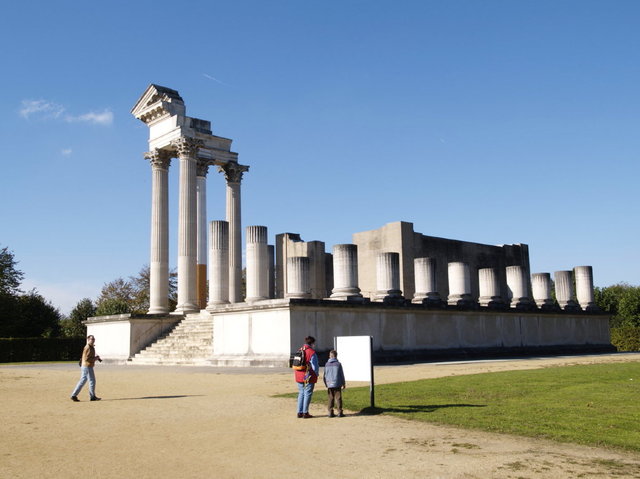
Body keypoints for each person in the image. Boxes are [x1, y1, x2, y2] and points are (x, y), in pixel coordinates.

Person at [70, 334, 102, 402]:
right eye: (91, 339)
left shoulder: (90, 347)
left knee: (83, 380)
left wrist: (95, 358)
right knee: (92, 381)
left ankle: (74, 395)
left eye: (93, 339)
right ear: (88, 340)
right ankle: (92, 396)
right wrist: (95, 358)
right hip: (87, 366)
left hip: (85, 366)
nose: (93, 340)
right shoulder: (88, 347)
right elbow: (87, 359)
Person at [295, 336, 319, 418]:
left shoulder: (300, 349)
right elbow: (315, 366)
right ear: (312, 343)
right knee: (307, 393)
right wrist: (316, 374)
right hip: (308, 375)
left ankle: (299, 412)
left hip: (298, 374)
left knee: (301, 393)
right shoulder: (311, 352)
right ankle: (305, 412)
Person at [323, 349, 346, 417]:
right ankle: (339, 412)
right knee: (338, 398)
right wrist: (343, 383)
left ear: (330, 356)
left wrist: (326, 383)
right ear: (336, 356)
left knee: (330, 398)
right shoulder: (338, 364)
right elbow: (341, 374)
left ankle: (330, 412)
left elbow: (325, 375)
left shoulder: (326, 364)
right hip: (337, 383)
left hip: (329, 383)